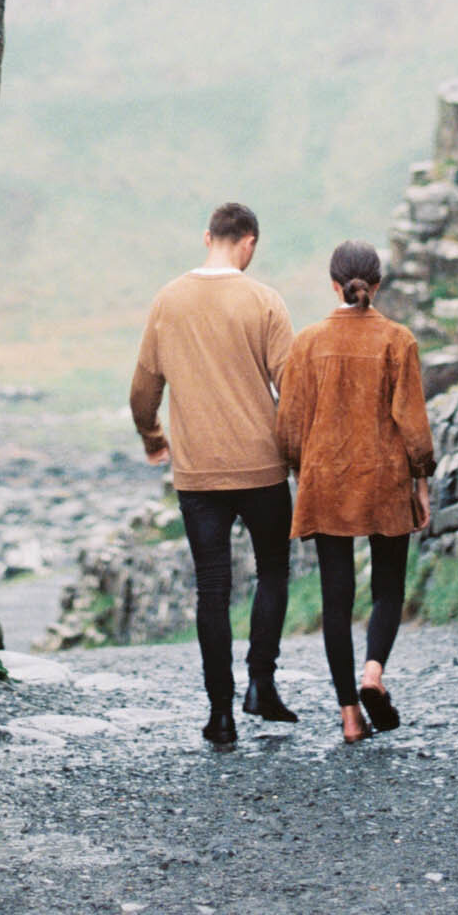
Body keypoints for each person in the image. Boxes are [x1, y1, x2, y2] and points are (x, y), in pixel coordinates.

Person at [130, 200, 297, 748]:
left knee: (212, 590)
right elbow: (292, 389)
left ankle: (220, 714)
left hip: (198, 473)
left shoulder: (168, 300)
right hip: (263, 466)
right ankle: (261, 686)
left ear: (209, 237)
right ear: (249, 242)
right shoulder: (264, 300)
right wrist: (295, 453)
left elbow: (143, 391)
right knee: (272, 571)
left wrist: (156, 442)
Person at [275, 239, 435, 745]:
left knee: (336, 600)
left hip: (327, 481)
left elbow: (289, 427)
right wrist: (422, 480)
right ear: (378, 284)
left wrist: (305, 470)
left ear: (333, 283)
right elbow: (413, 423)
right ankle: (373, 673)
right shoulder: (398, 340)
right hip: (384, 478)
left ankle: (349, 715)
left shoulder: (307, 342)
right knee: (388, 588)